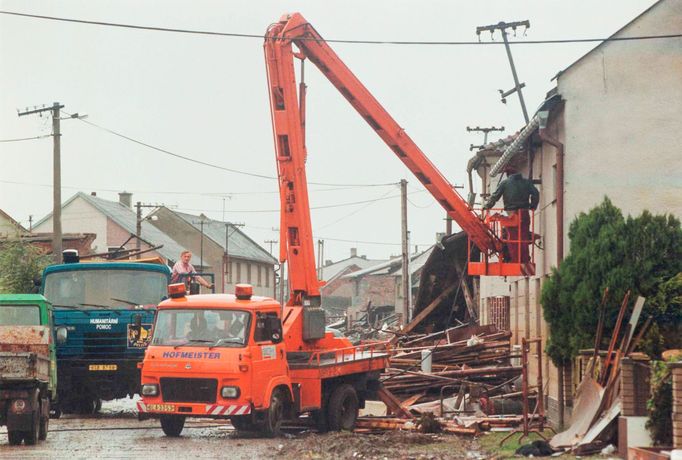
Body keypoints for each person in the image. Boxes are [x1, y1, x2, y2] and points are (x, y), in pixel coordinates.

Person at [483, 165, 539, 263]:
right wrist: (533, 206)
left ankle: (515, 259)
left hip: (512, 214)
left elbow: (495, 196)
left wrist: (487, 206)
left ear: (508, 174)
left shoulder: (505, 183)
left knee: (512, 238)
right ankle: (525, 259)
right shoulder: (527, 183)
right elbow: (536, 193)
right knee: (524, 237)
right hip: (525, 213)